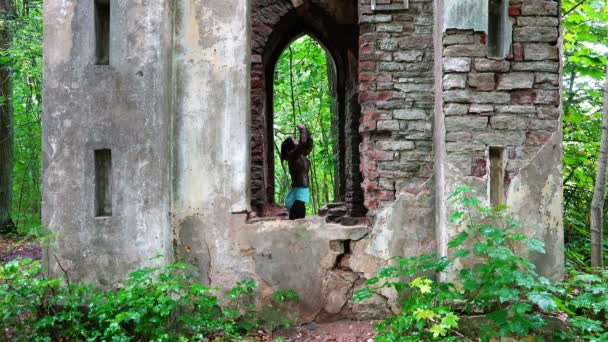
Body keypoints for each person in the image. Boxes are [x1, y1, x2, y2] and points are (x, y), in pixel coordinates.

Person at [280, 124, 313, 220]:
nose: (296, 140)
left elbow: (308, 147)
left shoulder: (299, 154)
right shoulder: (292, 155)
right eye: (294, 140)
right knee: (298, 215)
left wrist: (307, 131)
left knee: (299, 213)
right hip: (300, 188)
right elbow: (302, 144)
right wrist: (302, 130)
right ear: (291, 145)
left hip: (300, 188)